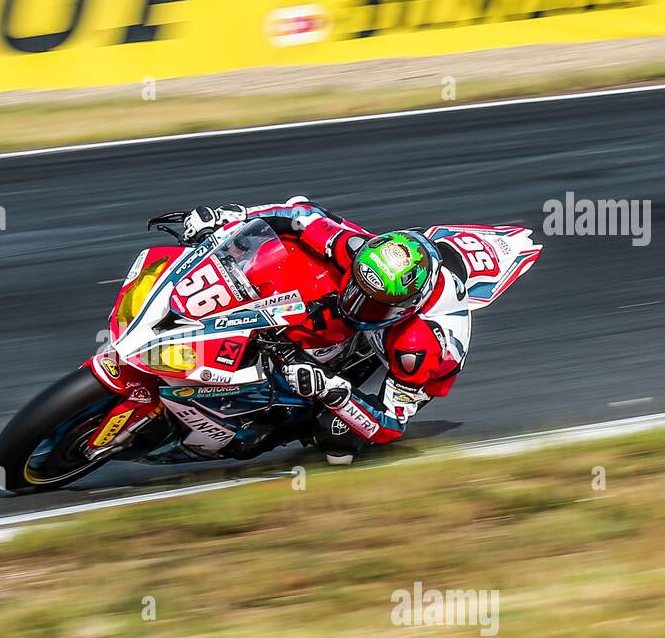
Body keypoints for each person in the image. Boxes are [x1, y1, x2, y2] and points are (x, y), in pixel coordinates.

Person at [182, 197, 470, 463]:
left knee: (335, 437)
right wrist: (231, 216)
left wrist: (331, 388)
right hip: (377, 312)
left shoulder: (415, 345)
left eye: (374, 304)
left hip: (415, 372)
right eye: (357, 286)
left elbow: (391, 425)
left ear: (407, 308)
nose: (356, 303)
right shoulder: (354, 249)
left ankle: (287, 425)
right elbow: (301, 213)